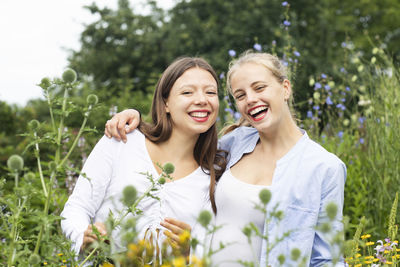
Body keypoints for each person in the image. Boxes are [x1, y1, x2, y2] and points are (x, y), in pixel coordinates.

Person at [105, 51, 346, 266]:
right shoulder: (234, 143)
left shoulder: (324, 167)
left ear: (285, 88)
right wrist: (135, 118)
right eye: (240, 95)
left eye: (259, 88)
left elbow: (326, 259)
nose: (250, 99)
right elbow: (179, 140)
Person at [61, 57, 226, 260]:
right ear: (165, 103)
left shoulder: (213, 177)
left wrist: (188, 253)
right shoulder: (122, 141)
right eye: (187, 92)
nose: (202, 100)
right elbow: (77, 207)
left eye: (211, 92)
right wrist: (83, 237)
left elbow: (209, 254)